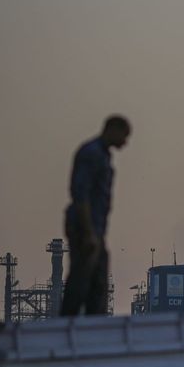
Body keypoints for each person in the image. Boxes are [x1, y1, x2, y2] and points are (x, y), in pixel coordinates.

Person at [60, 116, 131, 316]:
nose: (125, 143)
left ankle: (94, 325)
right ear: (113, 129)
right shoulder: (91, 153)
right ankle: (68, 323)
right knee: (80, 280)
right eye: (124, 137)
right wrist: (89, 231)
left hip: (95, 228)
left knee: (98, 282)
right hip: (85, 227)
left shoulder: (104, 156)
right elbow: (80, 195)